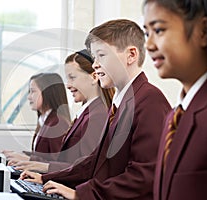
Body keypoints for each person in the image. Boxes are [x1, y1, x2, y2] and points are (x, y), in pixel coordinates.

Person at [20, 19, 171, 200]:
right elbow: (94, 162)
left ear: (131, 55)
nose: (95, 64)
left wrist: (81, 194)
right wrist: (46, 178)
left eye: (101, 55)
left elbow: (144, 176)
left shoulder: (150, 100)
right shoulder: (121, 102)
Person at [7, 49, 115, 173]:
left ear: (94, 77)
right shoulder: (87, 114)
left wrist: (41, 168)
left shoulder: (97, 116)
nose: (68, 85)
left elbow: (88, 169)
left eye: (72, 78)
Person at [143, 1, 207, 200]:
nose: (149, 45)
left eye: (159, 30)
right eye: (147, 33)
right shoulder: (174, 116)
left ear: (203, 31)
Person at [2, 73, 71, 162]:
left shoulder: (58, 123)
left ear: (47, 92)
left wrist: (27, 159)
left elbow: (58, 164)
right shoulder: (45, 120)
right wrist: (18, 155)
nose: (29, 97)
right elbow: (43, 156)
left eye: (33, 91)